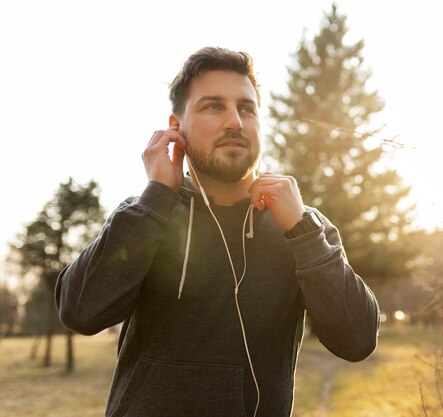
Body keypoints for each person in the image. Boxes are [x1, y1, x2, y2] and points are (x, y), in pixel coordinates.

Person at [55, 46, 380, 417]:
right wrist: (157, 197)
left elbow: (357, 341)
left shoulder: (301, 227)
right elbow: (80, 311)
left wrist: (302, 232)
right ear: (175, 128)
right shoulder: (147, 215)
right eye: (213, 106)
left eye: (246, 109)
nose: (235, 122)